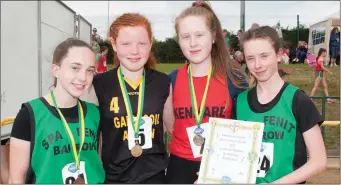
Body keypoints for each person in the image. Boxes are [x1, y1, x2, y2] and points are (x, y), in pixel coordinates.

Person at [164, 1, 248, 184]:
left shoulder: (234, 79)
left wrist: (217, 171)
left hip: (221, 166)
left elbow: (243, 132)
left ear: (213, 36)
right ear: (178, 40)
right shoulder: (171, 80)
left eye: (199, 35)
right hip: (179, 167)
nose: (193, 43)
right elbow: (170, 127)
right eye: (185, 37)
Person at [85, 13, 172, 183]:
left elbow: (174, 129)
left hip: (154, 176)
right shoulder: (99, 84)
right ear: (113, 44)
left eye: (142, 43)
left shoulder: (163, 82)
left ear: (151, 44)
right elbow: (93, 137)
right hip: (113, 177)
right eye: (126, 44)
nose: (134, 51)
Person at [237, 26, 327, 184]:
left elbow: (319, 161)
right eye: (250, 58)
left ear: (279, 55)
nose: (257, 65)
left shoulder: (298, 100)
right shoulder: (240, 101)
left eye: (264, 56)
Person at [8, 38, 105, 184]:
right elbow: (16, 180)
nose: (83, 77)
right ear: (56, 70)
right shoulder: (30, 114)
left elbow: (97, 163)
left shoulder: (95, 113)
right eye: (75, 68)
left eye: (90, 70)